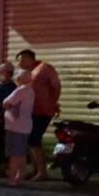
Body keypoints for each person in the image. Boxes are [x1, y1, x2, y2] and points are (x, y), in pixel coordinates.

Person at [15, 48, 60, 181]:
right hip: (31, 111)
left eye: (21, 60)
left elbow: (56, 86)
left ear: (30, 58)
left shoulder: (44, 68)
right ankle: (36, 170)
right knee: (30, 140)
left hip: (42, 111)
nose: (19, 63)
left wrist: (52, 102)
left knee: (34, 139)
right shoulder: (28, 72)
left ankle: (42, 172)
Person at [3, 69, 37, 186]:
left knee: (15, 154)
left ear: (19, 79)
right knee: (21, 152)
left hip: (16, 126)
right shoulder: (31, 91)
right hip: (25, 126)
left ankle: (12, 178)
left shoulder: (20, 91)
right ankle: (20, 175)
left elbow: (6, 103)